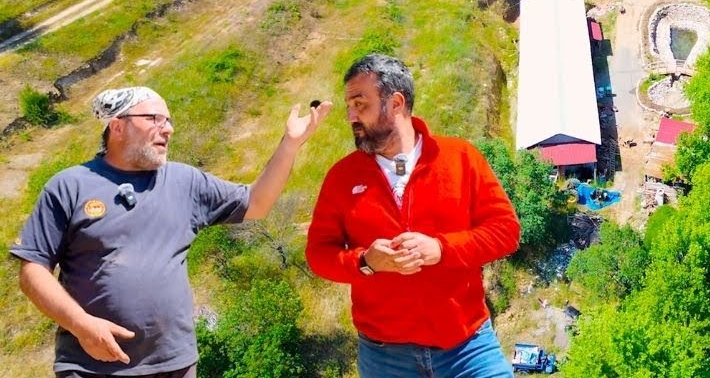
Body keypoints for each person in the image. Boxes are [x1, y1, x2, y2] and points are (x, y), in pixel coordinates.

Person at [10, 86, 332, 378]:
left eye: (168, 120)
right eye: (154, 118)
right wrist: (81, 325)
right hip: (91, 367)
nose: (168, 128)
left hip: (174, 366)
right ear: (117, 126)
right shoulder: (69, 186)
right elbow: (32, 271)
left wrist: (290, 144)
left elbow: (257, 203)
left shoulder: (184, 182)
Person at [306, 54, 520, 378]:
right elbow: (318, 254)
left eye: (360, 104)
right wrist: (365, 262)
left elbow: (505, 231)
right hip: (383, 358)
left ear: (395, 103)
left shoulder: (461, 157)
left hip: (467, 347)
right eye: (349, 106)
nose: (351, 115)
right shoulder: (341, 178)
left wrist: (442, 249)